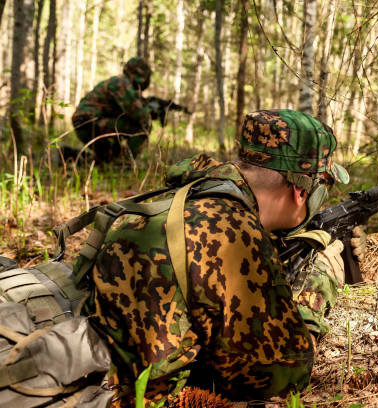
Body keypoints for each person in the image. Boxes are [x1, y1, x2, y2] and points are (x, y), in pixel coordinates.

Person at [79, 109, 351, 405]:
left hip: (87, 371)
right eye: (324, 186)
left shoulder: (184, 196)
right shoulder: (236, 234)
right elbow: (282, 376)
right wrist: (318, 286)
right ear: (301, 190)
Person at [72, 56, 153, 162]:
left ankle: (67, 154)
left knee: (108, 159)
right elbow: (139, 115)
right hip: (90, 125)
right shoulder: (122, 83)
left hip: (86, 125)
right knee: (143, 127)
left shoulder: (118, 82)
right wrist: (151, 112)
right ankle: (125, 164)